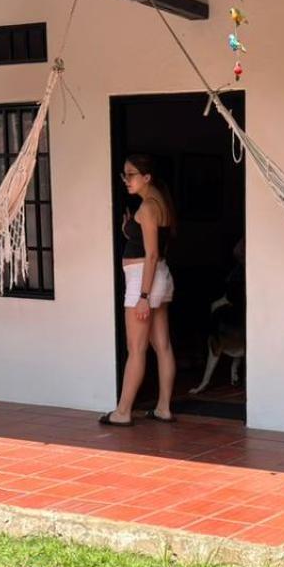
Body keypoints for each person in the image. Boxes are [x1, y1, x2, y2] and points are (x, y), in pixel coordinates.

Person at [100, 154, 177, 426]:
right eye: (125, 175)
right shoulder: (160, 203)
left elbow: (152, 254)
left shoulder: (146, 208)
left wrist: (143, 297)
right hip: (159, 278)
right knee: (162, 346)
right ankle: (163, 408)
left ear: (147, 177)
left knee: (136, 348)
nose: (126, 180)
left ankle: (122, 412)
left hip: (143, 281)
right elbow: (153, 247)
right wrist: (129, 231)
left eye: (131, 174)